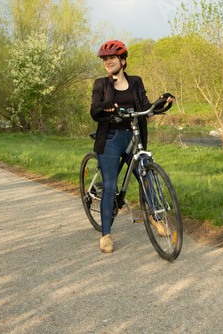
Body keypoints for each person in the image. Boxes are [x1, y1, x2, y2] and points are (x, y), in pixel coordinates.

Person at [90, 40, 174, 253]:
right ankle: (106, 235)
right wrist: (103, 106)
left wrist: (161, 102)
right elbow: (94, 113)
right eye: (105, 59)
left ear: (122, 60)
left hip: (134, 138)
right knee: (110, 186)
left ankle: (156, 218)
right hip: (110, 139)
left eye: (112, 58)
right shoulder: (101, 84)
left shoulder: (135, 82)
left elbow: (145, 107)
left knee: (146, 178)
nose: (108, 62)